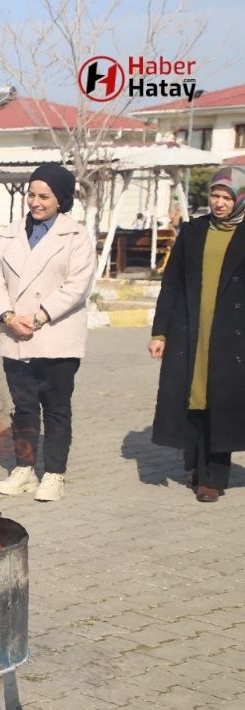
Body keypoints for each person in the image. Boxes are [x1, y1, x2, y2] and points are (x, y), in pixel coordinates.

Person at [0, 163, 93, 502]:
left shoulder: (76, 236)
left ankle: (54, 473)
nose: (35, 202)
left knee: (57, 408)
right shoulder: (9, 233)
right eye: (31, 194)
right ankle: (24, 469)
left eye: (44, 196)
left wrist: (40, 316)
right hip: (15, 335)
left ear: (60, 199)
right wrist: (6, 316)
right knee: (24, 407)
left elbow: (78, 285)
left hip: (56, 335)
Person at [149, 166, 245, 503]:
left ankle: (212, 478)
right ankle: (194, 464)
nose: (219, 203)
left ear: (240, 199)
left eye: (226, 197)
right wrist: (160, 332)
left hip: (231, 338)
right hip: (190, 331)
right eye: (215, 196)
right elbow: (172, 284)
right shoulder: (193, 231)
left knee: (220, 403)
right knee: (193, 398)